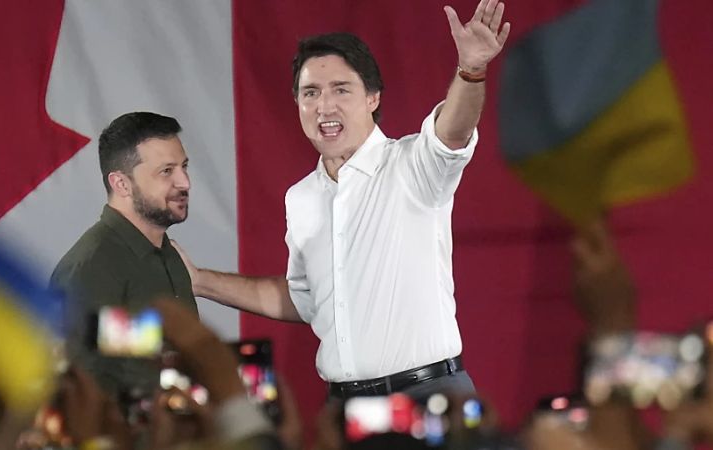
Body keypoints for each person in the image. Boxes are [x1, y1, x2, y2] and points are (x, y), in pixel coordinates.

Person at [174, 0, 511, 401]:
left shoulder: (413, 165)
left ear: (372, 98)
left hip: (430, 396)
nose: (324, 106)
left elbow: (453, 131)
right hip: (346, 405)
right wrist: (199, 281)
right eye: (310, 92)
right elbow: (304, 300)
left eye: (340, 89)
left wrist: (471, 70)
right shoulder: (300, 198)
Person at [50, 111, 197, 395]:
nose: (185, 182)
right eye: (166, 171)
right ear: (121, 184)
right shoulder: (91, 267)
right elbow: (77, 392)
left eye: (184, 167)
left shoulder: (170, 257)